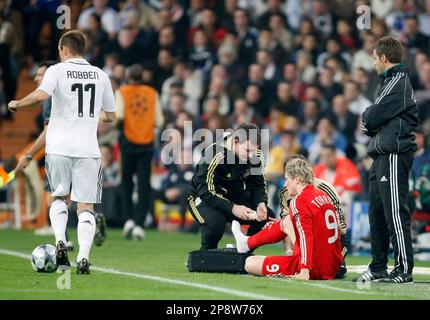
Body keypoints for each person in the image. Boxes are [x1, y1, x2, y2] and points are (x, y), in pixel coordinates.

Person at [8, 30, 116, 274]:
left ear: (64, 49)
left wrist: (17, 103)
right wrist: (87, 116)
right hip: (88, 150)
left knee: (59, 199)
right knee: (85, 206)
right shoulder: (101, 75)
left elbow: (40, 95)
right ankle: (84, 258)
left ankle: (59, 242)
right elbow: (111, 116)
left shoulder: (55, 71)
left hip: (58, 148)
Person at [359, 36, 418, 283]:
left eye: (374, 58)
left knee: (394, 211)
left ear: (384, 58)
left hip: (394, 153)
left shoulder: (398, 80)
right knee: (376, 211)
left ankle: (404, 268)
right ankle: (379, 266)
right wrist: (371, 120)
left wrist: (371, 120)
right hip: (381, 153)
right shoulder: (388, 82)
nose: (373, 63)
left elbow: (372, 116)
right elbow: (372, 119)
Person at [232, 157, 343, 280]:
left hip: (313, 267)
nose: (285, 184)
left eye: (287, 179)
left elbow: (306, 235)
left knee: (250, 263)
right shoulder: (322, 195)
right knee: (287, 221)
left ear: (297, 179)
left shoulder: (299, 200)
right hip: (333, 265)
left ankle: (247, 243)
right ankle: (246, 243)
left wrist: (305, 269)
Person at [187, 122, 274, 249]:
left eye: (253, 151)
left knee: (265, 217)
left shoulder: (256, 156)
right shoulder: (215, 154)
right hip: (200, 196)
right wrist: (233, 208)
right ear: (235, 142)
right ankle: (206, 255)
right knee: (216, 223)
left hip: (232, 195)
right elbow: (205, 191)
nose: (250, 155)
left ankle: (245, 251)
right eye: (247, 150)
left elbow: (258, 185)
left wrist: (261, 203)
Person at [116, 64, 164, 240]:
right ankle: (139, 224)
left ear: (128, 76)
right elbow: (159, 120)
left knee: (126, 181)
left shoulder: (122, 92)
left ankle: (128, 219)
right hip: (146, 142)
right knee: (144, 185)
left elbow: (118, 116)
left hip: (127, 141)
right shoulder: (152, 93)